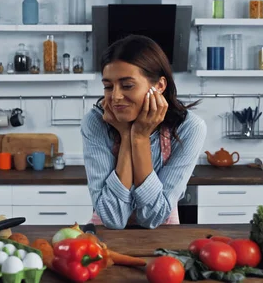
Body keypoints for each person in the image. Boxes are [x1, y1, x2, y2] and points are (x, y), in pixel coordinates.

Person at [80, 34, 207, 230]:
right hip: (106, 242)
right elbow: (112, 218)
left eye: (127, 85)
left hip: (163, 239)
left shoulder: (189, 127)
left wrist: (139, 138)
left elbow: (153, 217)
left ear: (160, 86)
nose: (115, 96)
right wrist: (125, 135)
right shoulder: (95, 122)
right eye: (108, 86)